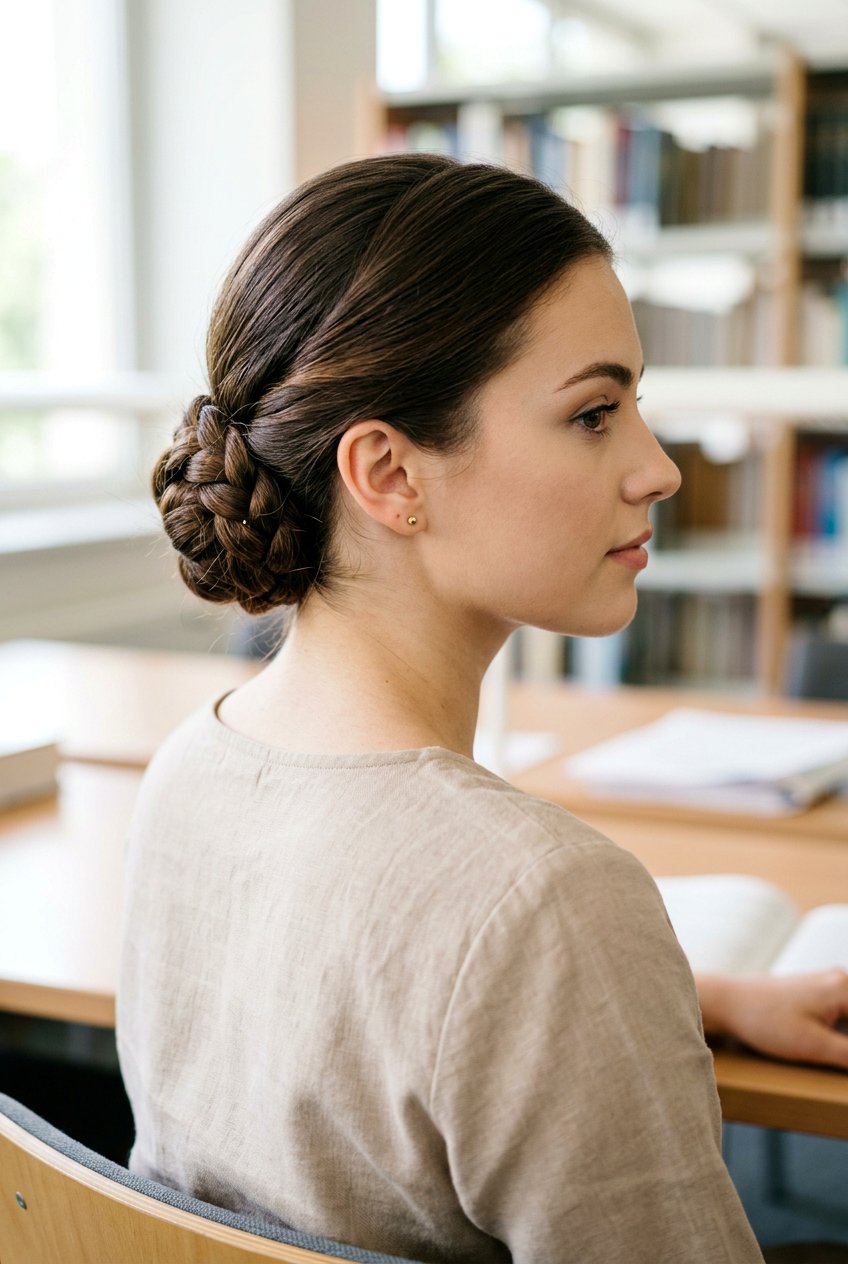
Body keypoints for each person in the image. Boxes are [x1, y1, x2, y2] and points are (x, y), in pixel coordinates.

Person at [117, 153, 848, 1264]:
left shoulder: (191, 765)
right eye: (593, 414)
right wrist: (592, 960)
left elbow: (378, 991)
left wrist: (681, 995)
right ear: (390, 475)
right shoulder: (540, 899)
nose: (656, 469)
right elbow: (488, 932)